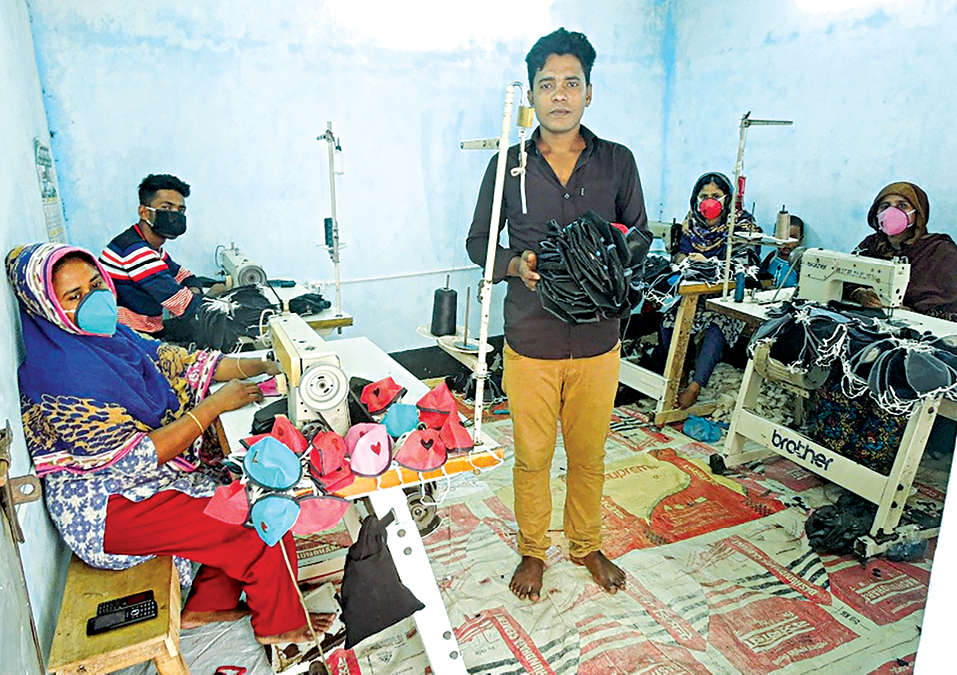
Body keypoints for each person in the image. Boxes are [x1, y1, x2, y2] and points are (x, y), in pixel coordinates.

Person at [8, 242, 331, 644]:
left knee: (234, 485)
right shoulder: (59, 375)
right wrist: (213, 407)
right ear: (46, 306)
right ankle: (280, 625)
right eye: (74, 296)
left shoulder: (109, 337)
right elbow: (137, 458)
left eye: (95, 284)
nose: (93, 298)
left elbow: (175, 360)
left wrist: (260, 363)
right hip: (107, 510)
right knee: (258, 514)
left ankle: (207, 604)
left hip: (132, 487)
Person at [466, 28, 650, 601]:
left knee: (589, 455)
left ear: (589, 92)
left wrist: (605, 254)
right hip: (531, 338)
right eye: (547, 84)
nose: (560, 95)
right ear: (531, 95)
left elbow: (641, 236)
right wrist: (513, 264)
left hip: (598, 340)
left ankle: (586, 544)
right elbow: (477, 243)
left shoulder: (617, 162)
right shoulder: (508, 166)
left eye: (572, 83)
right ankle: (532, 549)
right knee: (532, 457)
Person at [662, 172, 757, 409]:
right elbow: (679, 253)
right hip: (694, 293)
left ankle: (695, 387)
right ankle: (680, 372)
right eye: (704, 196)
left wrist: (708, 263)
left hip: (727, 297)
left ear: (727, 198)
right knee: (669, 319)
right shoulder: (691, 222)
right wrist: (685, 260)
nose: (709, 201)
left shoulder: (742, 225)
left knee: (718, 323)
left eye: (716, 195)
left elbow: (744, 264)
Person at [99, 173, 213, 341]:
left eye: (180, 210)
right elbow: (185, 305)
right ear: (144, 212)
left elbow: (185, 276)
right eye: (166, 208)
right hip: (130, 337)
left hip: (145, 327)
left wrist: (193, 291)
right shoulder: (136, 251)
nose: (175, 216)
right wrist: (208, 296)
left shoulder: (149, 246)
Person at [847, 181, 957, 320]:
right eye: (885, 206)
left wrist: (912, 313)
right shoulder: (870, 245)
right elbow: (847, 278)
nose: (891, 212)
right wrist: (857, 293)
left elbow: (950, 308)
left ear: (918, 213)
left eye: (902, 206)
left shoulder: (940, 252)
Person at [759, 215, 804, 288]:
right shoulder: (772, 256)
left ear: (800, 239)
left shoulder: (800, 262)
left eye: (792, 238)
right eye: (781, 237)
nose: (787, 243)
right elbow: (761, 275)